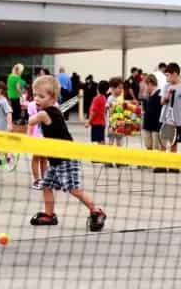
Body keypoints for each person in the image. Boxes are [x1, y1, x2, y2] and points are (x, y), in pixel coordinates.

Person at [28, 75, 106, 231]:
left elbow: (31, 121)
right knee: (46, 185)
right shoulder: (52, 110)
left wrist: (29, 111)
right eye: (35, 95)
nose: (37, 99)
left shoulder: (46, 113)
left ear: (53, 98)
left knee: (74, 189)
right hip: (56, 161)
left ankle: (96, 211)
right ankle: (49, 215)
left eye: (41, 96)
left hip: (67, 159)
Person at [155, 63, 181, 174]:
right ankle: (161, 165)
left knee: (174, 144)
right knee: (162, 142)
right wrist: (167, 95)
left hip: (177, 120)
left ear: (175, 74)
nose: (166, 78)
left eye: (168, 75)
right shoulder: (166, 86)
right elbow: (162, 102)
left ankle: (173, 165)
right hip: (164, 119)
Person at [142, 74, 162, 151]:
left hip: (156, 126)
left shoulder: (159, 94)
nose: (145, 88)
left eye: (145, 85)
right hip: (147, 125)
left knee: (156, 147)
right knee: (148, 146)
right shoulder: (149, 95)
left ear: (150, 83)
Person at [85, 80, 109, 144]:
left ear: (98, 88)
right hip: (102, 122)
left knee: (96, 142)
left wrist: (88, 122)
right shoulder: (104, 98)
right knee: (101, 140)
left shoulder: (96, 99)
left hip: (96, 123)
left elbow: (94, 112)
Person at [106, 77, 125, 148]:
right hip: (112, 124)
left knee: (119, 143)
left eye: (122, 88)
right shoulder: (110, 98)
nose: (121, 90)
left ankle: (119, 157)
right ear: (113, 88)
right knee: (110, 142)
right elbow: (107, 107)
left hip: (120, 124)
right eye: (119, 88)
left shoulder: (121, 98)